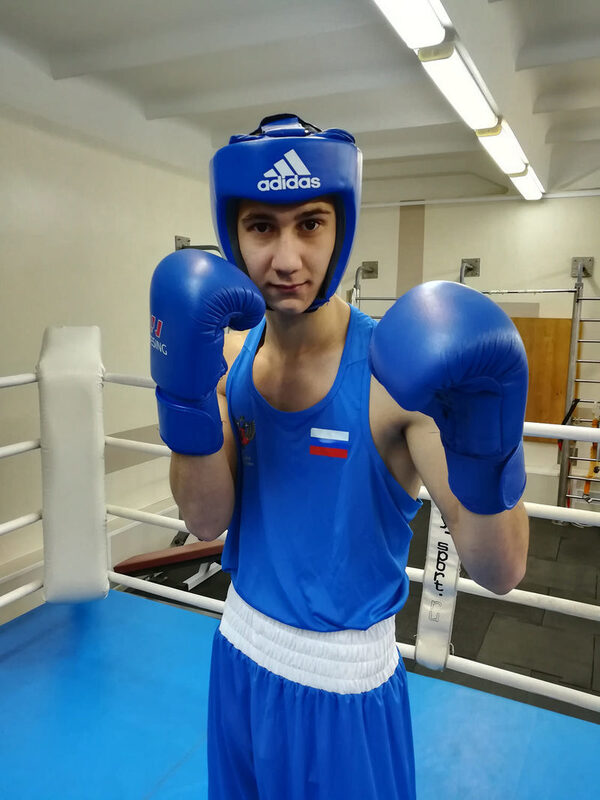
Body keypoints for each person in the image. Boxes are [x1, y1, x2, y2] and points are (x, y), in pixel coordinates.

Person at [149, 114, 530, 799]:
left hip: (344, 687)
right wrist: (185, 399)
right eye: (261, 226)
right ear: (234, 235)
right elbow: (204, 520)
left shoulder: (393, 378)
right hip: (239, 652)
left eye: (311, 224)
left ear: (342, 229)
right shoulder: (228, 358)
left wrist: (486, 435)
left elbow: (501, 571)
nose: (286, 258)